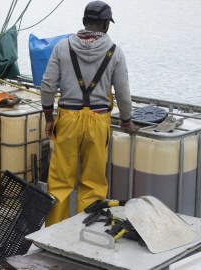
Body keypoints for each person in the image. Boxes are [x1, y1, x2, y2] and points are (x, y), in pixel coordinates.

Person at [40, 1, 139, 226]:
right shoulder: (115, 52)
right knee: (93, 184)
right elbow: (123, 94)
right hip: (98, 122)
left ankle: (54, 234)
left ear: (84, 22)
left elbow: (47, 85)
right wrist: (127, 123)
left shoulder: (62, 47)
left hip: (67, 120)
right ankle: (84, 236)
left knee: (60, 183)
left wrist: (49, 118)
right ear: (105, 25)